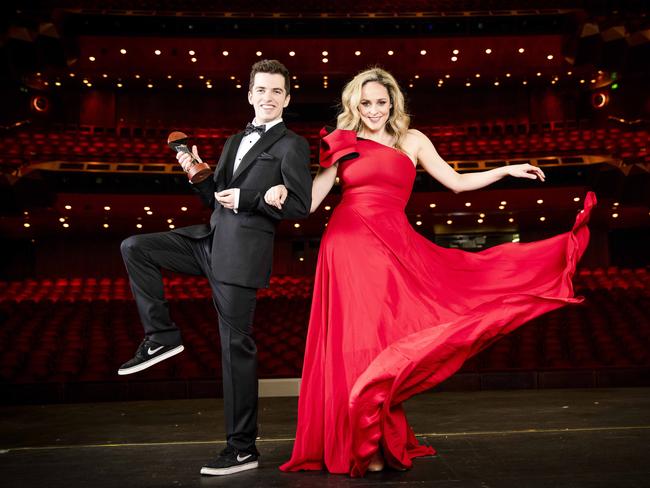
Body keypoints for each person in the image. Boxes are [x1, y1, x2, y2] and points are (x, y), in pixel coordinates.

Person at [265, 67, 595, 477]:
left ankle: (377, 432)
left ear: (393, 103)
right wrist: (276, 189)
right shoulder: (342, 142)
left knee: (386, 337)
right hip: (347, 244)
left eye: (381, 102)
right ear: (354, 104)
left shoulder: (413, 140)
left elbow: (455, 182)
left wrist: (505, 169)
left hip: (395, 242)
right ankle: (359, 441)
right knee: (356, 338)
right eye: (365, 103)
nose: (373, 110)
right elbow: (311, 201)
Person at [118, 59, 312, 476]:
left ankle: (242, 449)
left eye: (277, 91)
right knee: (135, 246)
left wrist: (252, 199)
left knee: (234, 348)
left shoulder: (292, 145)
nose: (268, 97)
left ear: (287, 99)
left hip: (242, 255)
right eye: (261, 89)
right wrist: (197, 171)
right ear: (249, 94)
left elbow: (300, 205)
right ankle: (161, 336)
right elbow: (215, 198)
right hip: (208, 240)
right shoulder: (232, 140)